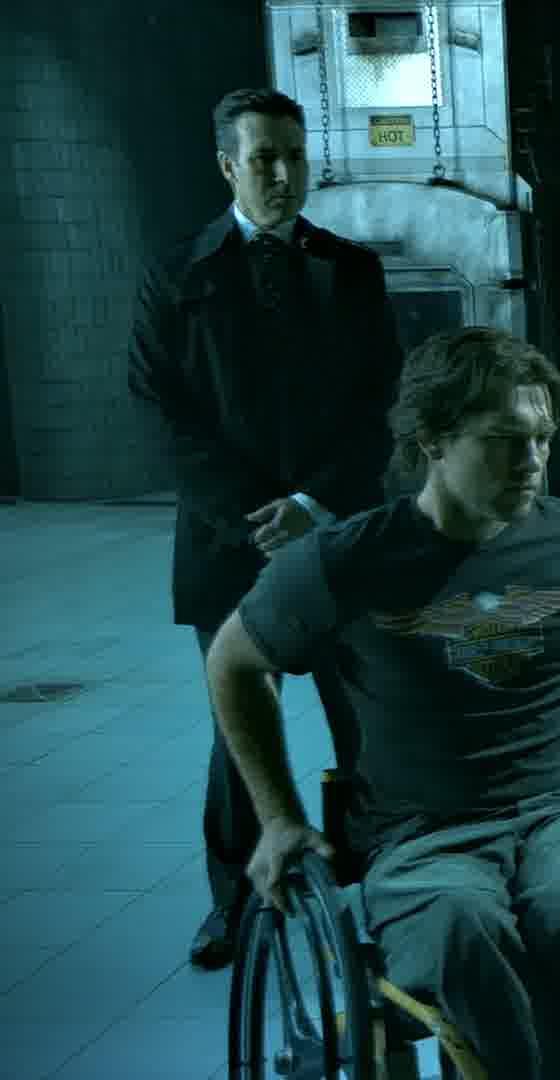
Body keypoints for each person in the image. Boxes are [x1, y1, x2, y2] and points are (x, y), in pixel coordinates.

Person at [204, 328, 560, 1077]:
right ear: (431, 440)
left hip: (557, 806)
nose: (532, 461)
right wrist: (278, 818)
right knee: (465, 930)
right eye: (504, 440)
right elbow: (234, 662)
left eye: (543, 438)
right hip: (420, 831)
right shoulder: (346, 560)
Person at [126, 87, 402, 970]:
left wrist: (314, 505)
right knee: (242, 726)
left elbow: (385, 400)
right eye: (263, 159)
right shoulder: (179, 274)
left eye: (294, 156)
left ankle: (382, 879)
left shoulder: (350, 271)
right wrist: (256, 516)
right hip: (229, 544)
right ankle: (238, 902)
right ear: (227, 166)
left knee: (367, 716)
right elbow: (159, 411)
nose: (283, 174)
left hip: (339, 536)